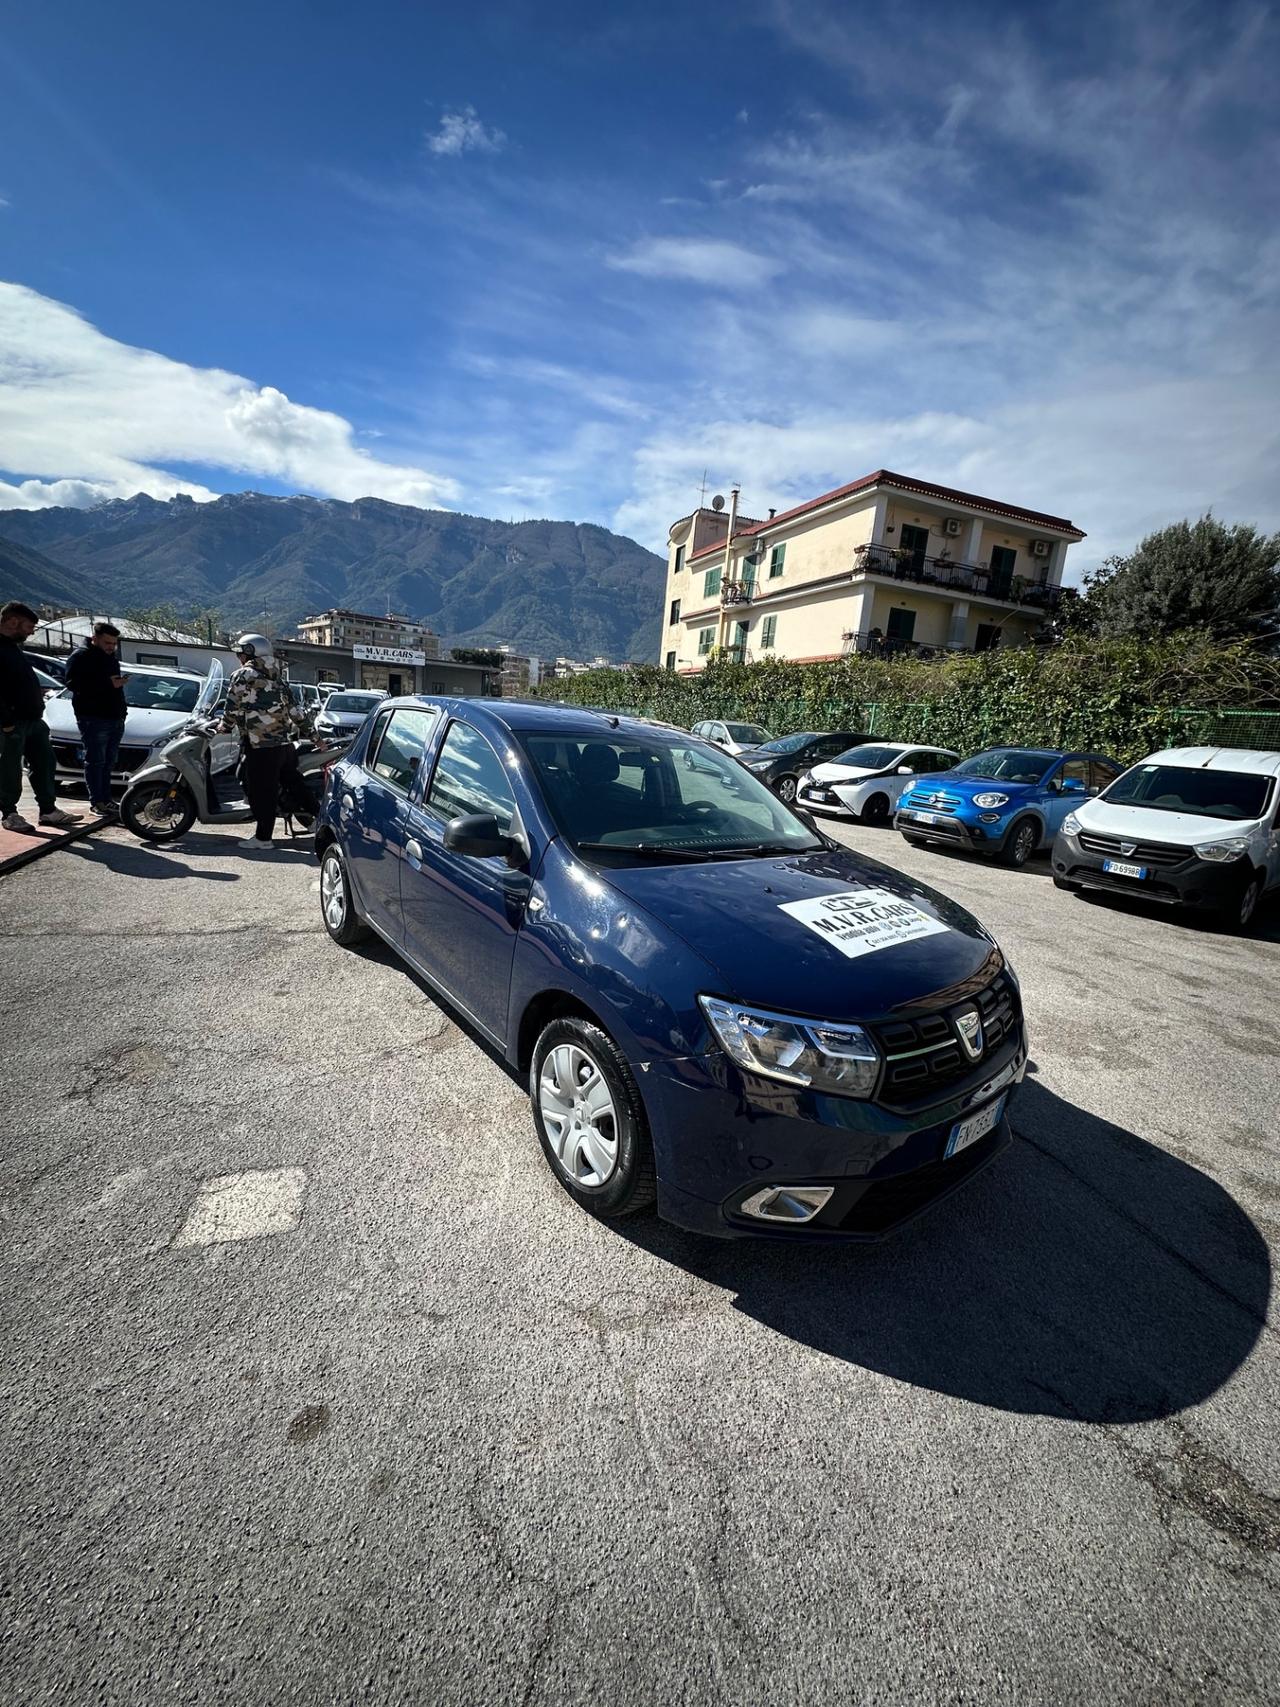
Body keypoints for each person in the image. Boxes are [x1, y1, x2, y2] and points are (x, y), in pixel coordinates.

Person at [0, 600, 81, 834]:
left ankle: (48, 810)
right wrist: (5, 722)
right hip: (11, 723)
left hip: (33, 720)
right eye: (28, 626)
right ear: (13, 621)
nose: (32, 631)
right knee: (9, 769)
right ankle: (9, 813)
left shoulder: (14, 647)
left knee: (45, 763)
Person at [219, 633, 306, 851]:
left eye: (240, 653)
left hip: (260, 744)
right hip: (284, 743)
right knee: (292, 782)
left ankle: (263, 837)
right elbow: (295, 711)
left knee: (262, 791)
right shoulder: (278, 677)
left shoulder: (243, 675)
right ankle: (316, 820)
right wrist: (315, 737)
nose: (239, 657)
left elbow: (232, 707)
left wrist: (224, 726)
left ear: (249, 652)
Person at [64, 621, 128, 816]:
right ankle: (97, 801)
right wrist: (107, 684)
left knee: (109, 762)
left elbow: (113, 686)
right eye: (107, 643)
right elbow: (73, 684)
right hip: (93, 717)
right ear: (94, 639)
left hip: (114, 716)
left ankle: (107, 799)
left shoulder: (111, 658)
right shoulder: (81, 656)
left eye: (114, 643)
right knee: (96, 760)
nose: (111, 647)